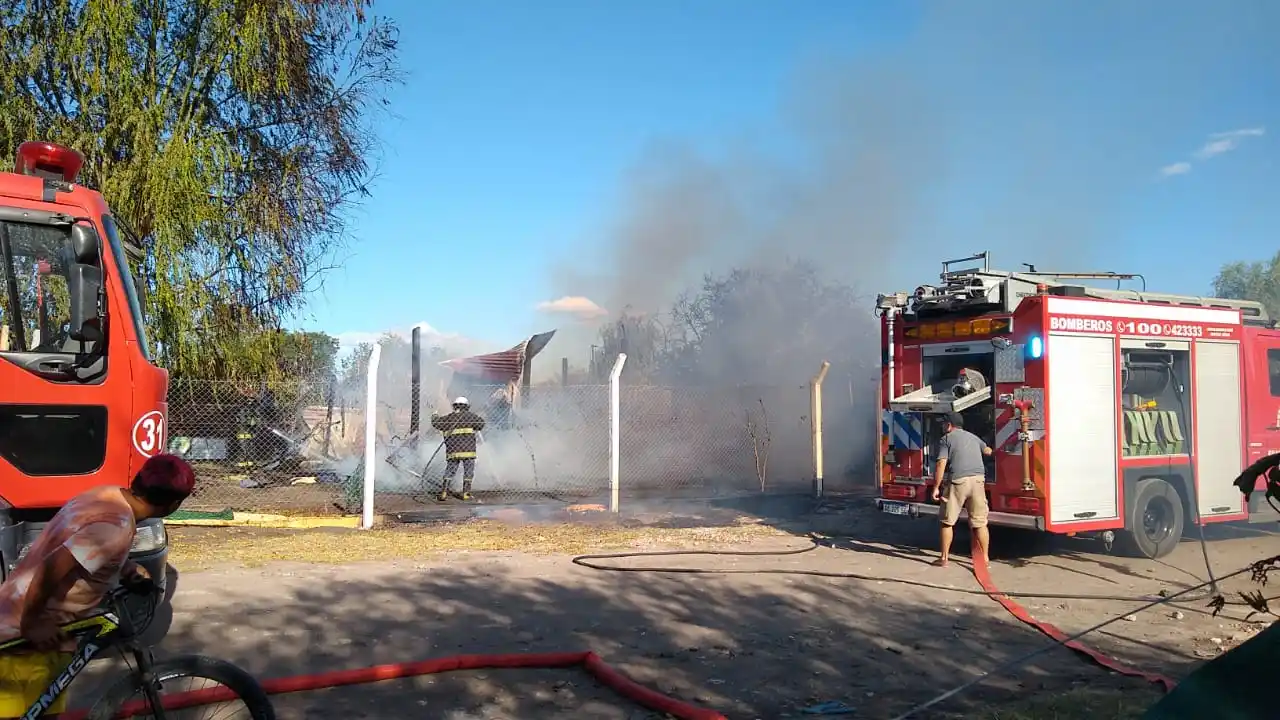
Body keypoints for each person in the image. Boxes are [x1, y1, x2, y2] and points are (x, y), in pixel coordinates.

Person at [0, 453, 196, 718]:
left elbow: (93, 545)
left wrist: (128, 572)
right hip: (28, 639)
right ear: (173, 504)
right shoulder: (115, 527)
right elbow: (51, 567)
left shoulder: (107, 497)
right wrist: (33, 624)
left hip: (35, 623)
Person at [931, 412, 993, 568]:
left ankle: (944, 558)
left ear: (949, 425)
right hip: (978, 481)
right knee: (980, 523)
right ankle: (985, 559)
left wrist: (936, 487)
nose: (942, 426)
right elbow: (988, 451)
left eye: (944, 423)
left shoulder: (946, 439)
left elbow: (941, 464)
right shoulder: (973, 437)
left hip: (958, 481)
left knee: (947, 521)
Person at [431, 397, 487, 502]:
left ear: (454, 406)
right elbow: (481, 424)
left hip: (453, 451)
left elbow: (436, 423)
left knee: (450, 470)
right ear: (466, 407)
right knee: (468, 471)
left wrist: (434, 414)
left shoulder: (449, 418)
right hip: (468, 451)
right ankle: (466, 493)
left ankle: (444, 492)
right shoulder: (471, 417)